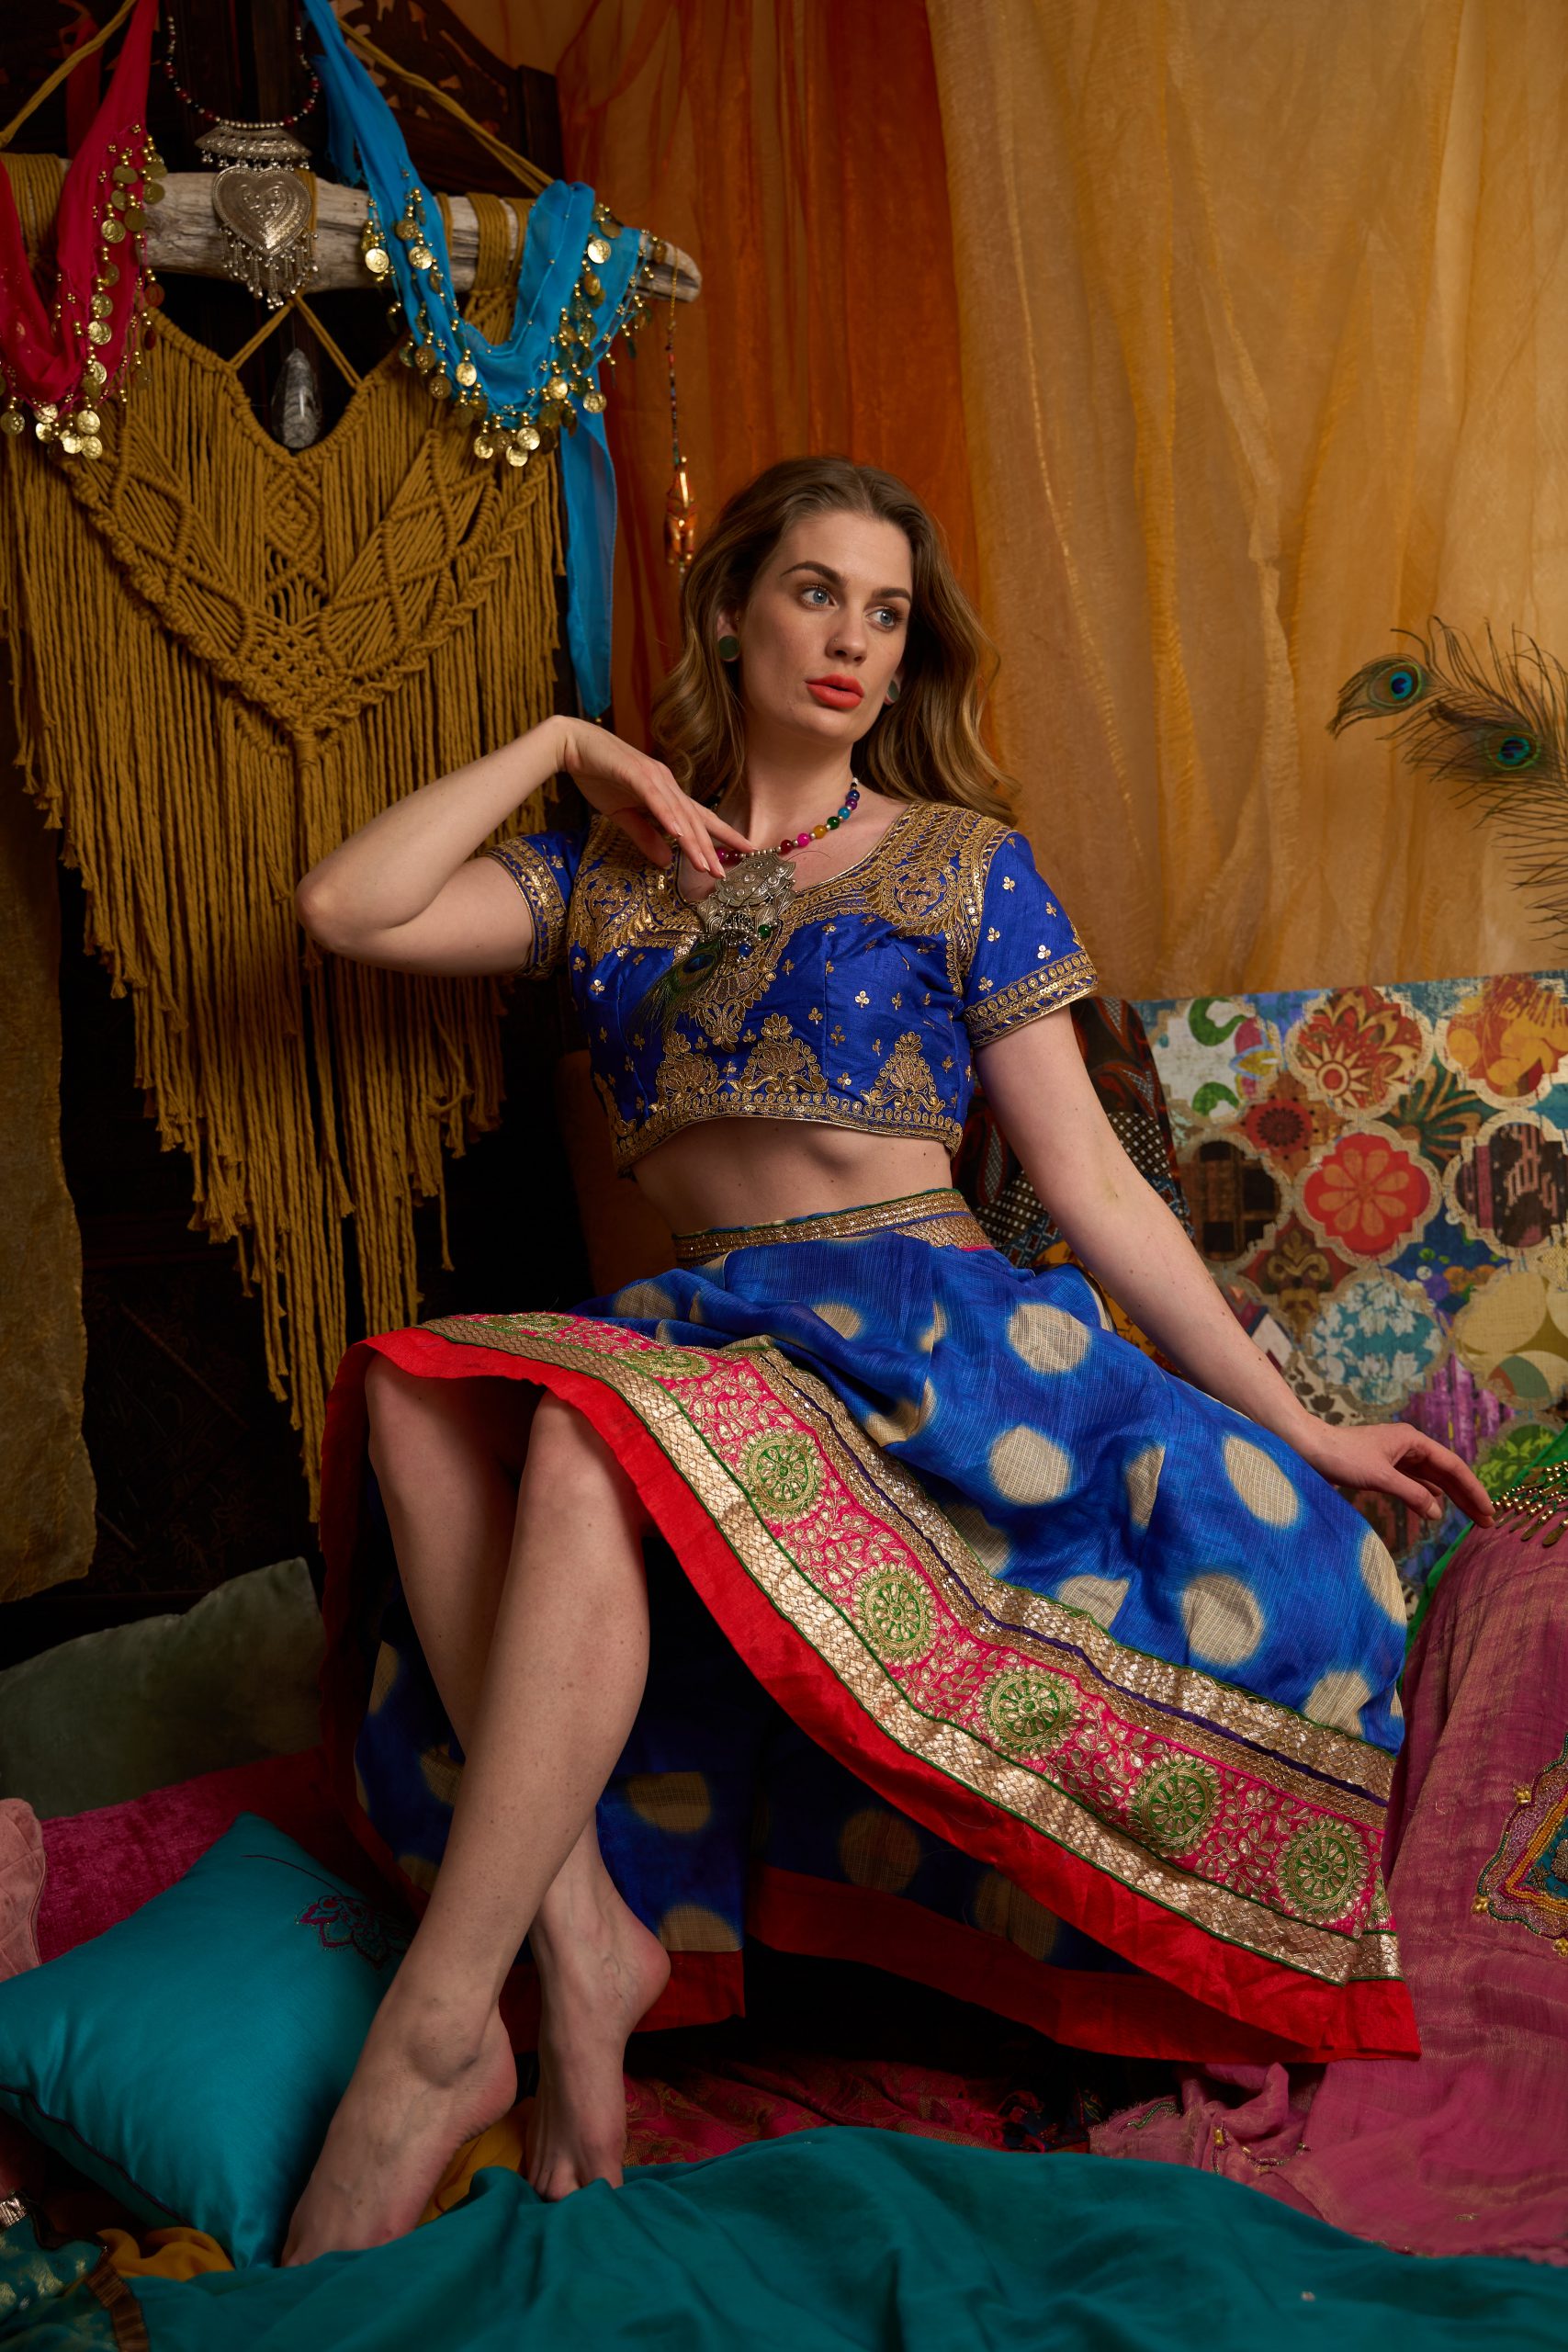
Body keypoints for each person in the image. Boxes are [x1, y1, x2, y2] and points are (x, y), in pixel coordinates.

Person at [283, 456, 1491, 2264]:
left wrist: (1304, 1421)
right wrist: (563, 746)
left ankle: (437, 2032)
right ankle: (577, 1933)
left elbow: (1091, 1188)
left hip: (928, 1345)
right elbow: (346, 907)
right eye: (814, 593)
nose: (852, 639)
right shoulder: (607, 882)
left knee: (591, 1438)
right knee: (407, 1383)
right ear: (729, 614)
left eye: (887, 611)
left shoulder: (957, 864)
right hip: (709, 1327)